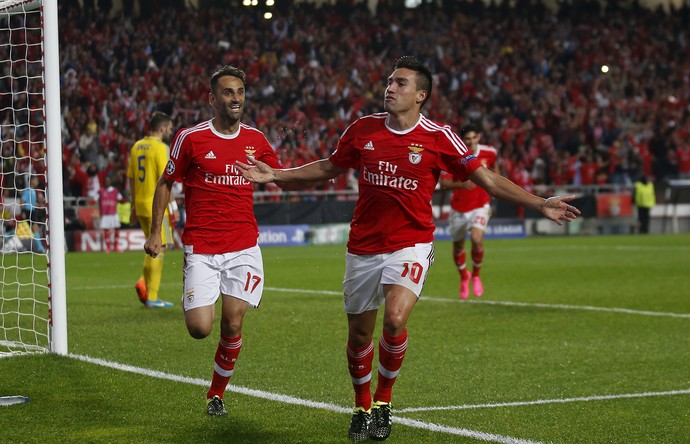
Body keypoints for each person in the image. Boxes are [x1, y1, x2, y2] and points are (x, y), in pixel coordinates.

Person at [235, 55, 580, 442]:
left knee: (396, 318)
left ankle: (383, 401)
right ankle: (361, 404)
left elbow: (488, 180)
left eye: (400, 83)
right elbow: (327, 168)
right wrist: (276, 174)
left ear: (420, 95)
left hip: (411, 243)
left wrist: (539, 202)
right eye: (389, 81)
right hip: (363, 246)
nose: (390, 87)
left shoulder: (439, 137)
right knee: (359, 336)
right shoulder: (363, 130)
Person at [143, 65, 286, 417]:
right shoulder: (191, 139)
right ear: (212, 99)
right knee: (199, 328)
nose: (235, 98)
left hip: (243, 246)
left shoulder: (256, 139)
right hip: (203, 247)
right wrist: (155, 231)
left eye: (239, 92)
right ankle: (191, 296)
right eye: (227, 92)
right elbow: (165, 183)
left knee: (233, 322)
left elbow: (278, 173)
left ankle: (216, 394)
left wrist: (273, 176)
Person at [439, 124, 499, 300]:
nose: (472, 142)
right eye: (468, 139)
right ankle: (464, 276)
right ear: (462, 140)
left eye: (474, 138)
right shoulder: (454, 155)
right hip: (459, 208)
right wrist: (461, 184)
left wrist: (494, 188)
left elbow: (495, 169)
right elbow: (444, 183)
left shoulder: (490, 152)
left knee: (476, 239)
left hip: (480, 205)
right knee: (458, 246)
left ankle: (476, 275)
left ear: (479, 137)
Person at [127, 111, 177, 308]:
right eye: (170, 128)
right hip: (158, 207)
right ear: (163, 128)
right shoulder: (160, 148)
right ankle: (153, 297)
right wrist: (173, 206)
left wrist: (133, 204)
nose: (170, 132)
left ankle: (143, 282)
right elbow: (166, 178)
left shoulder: (136, 146)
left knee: (151, 245)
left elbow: (131, 179)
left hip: (140, 205)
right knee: (160, 247)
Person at [98, 175, 123, 253]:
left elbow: (121, 199)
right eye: (105, 181)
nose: (107, 182)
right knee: (106, 229)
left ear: (110, 182)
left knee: (117, 228)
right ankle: (108, 247)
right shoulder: (101, 191)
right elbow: (94, 199)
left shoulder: (115, 191)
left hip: (113, 213)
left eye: (108, 181)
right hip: (105, 214)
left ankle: (116, 246)